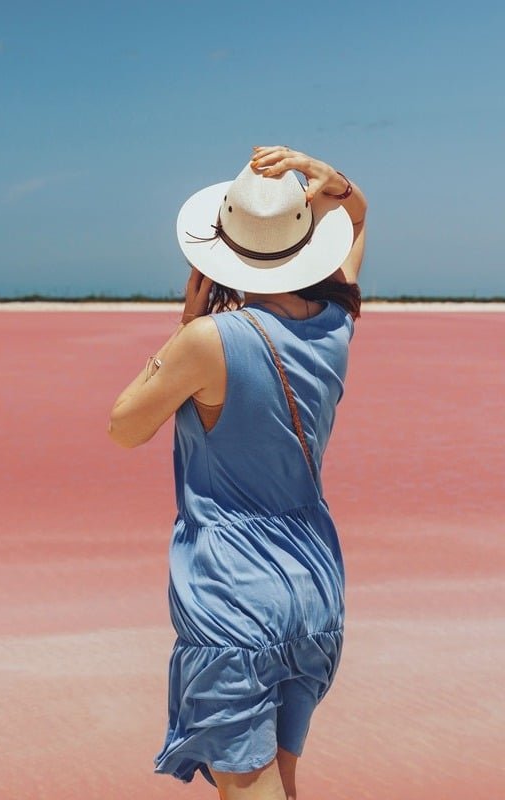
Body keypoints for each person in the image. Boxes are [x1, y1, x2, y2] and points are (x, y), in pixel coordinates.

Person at [108, 145, 368, 800]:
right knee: (277, 783)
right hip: (314, 591)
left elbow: (123, 426)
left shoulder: (208, 342)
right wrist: (333, 182)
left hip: (234, 597)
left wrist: (186, 326)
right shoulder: (336, 325)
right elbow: (357, 224)